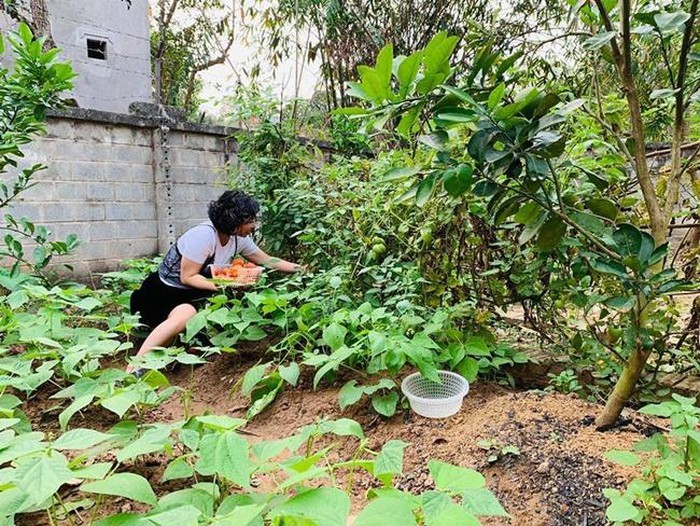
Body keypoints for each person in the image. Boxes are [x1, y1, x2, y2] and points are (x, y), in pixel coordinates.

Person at [127, 190, 304, 374]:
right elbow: (187, 277)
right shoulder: (203, 236)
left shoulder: (238, 239)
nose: (254, 225)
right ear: (235, 221)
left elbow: (268, 261)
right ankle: (135, 367)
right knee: (186, 314)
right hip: (162, 294)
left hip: (195, 293)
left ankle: (189, 349)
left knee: (212, 312)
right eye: (250, 221)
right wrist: (226, 286)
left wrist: (301, 270)